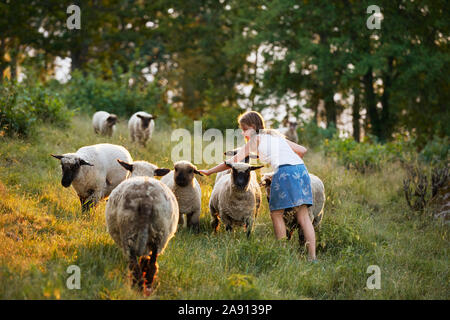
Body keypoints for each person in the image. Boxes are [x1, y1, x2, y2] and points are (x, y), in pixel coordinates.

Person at [198, 111, 317, 261]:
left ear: (253, 127)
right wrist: (289, 162)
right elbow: (302, 150)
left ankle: (282, 256)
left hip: (284, 172)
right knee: (304, 217)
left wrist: (209, 171)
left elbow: (233, 160)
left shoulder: (256, 140)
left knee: (276, 214)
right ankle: (312, 258)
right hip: (301, 170)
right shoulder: (276, 136)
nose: (243, 133)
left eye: (244, 129)